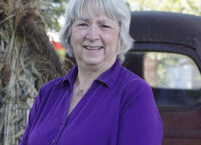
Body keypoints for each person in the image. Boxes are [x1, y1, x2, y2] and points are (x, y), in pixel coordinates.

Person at [19, 0, 163, 144]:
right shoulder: (48, 93)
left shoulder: (134, 93)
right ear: (70, 32)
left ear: (120, 36)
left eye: (104, 26)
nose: (92, 36)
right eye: (83, 24)